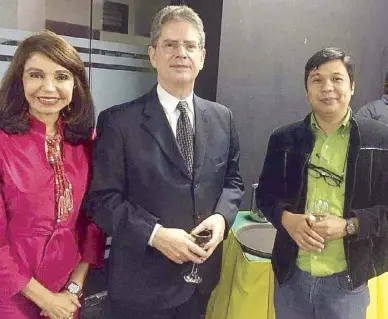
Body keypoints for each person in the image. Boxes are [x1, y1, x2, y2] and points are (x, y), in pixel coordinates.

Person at [84, 5, 244, 319]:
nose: (180, 53)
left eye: (190, 45)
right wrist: (155, 234)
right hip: (140, 288)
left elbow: (232, 181)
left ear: (202, 56)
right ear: (153, 54)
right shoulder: (119, 122)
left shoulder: (223, 118)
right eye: (170, 44)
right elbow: (102, 201)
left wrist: (222, 219)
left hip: (200, 282)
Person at [256, 47, 388, 319]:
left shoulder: (381, 140)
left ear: (352, 86)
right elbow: (266, 196)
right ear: (306, 90)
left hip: (347, 281)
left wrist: (350, 225)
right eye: (317, 80)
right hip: (292, 277)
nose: (327, 87)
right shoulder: (284, 139)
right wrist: (287, 219)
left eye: (336, 79)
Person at [0, 31, 105, 319]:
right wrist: (45, 299)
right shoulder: (3, 143)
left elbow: (93, 222)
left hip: (68, 291)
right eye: (36, 75)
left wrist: (72, 289)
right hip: (10, 294)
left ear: (76, 85)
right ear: (19, 81)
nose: (48, 87)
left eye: (61, 76)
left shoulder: (86, 141)